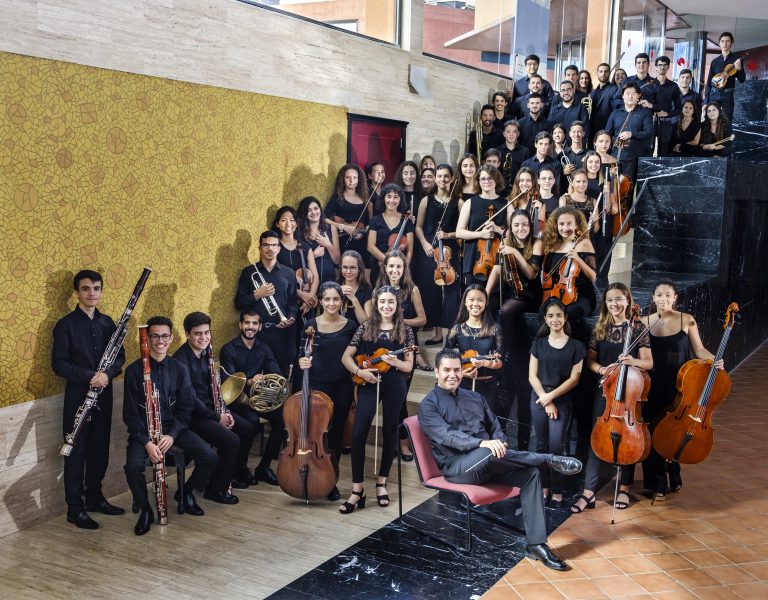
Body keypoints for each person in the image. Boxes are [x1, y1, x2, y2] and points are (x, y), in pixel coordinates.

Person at [419, 347, 581, 571]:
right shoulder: (428, 405)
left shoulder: (475, 397)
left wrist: (499, 441)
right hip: (459, 468)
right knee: (488, 451)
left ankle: (536, 543)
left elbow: (495, 426)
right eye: (446, 370)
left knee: (530, 474)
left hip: (491, 463)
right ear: (436, 372)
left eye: (457, 369)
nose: (452, 375)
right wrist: (483, 444)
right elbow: (448, 437)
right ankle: (547, 459)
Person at [123, 316, 219, 535]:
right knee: (133, 466)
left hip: (172, 429)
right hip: (144, 432)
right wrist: (147, 442)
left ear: (171, 338)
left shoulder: (179, 368)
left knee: (209, 456)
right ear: (147, 339)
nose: (160, 341)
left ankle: (186, 493)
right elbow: (130, 415)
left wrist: (172, 435)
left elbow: (185, 410)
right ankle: (146, 510)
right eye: (155, 336)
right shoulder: (133, 371)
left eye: (165, 336)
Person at [52, 269, 126, 529]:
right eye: (86, 288)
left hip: (104, 394)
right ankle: (75, 508)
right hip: (78, 396)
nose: (91, 293)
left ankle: (95, 497)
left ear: (101, 291)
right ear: (77, 293)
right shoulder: (65, 325)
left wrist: (107, 374)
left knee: (99, 448)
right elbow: (59, 364)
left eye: (96, 288)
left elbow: (120, 357)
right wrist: (89, 376)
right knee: (76, 451)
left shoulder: (108, 323)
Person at [571, 284, 653, 513]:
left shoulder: (638, 327)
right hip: (606, 391)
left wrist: (632, 362)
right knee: (596, 438)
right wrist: (602, 370)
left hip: (629, 392)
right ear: (605, 303)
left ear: (627, 299)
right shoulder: (600, 327)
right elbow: (590, 361)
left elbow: (649, 362)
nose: (614, 304)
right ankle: (589, 492)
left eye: (619, 299)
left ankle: (625, 487)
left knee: (629, 437)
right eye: (609, 300)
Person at [641, 280, 724, 498]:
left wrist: (715, 360)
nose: (663, 299)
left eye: (668, 295)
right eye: (659, 295)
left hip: (679, 385)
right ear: (653, 298)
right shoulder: (643, 322)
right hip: (651, 384)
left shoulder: (686, 320)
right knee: (653, 431)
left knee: (674, 430)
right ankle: (656, 484)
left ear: (675, 298)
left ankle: (673, 467)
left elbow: (699, 350)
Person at [340, 286, 416, 513]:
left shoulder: (405, 330)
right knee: (358, 432)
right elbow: (346, 356)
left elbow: (409, 366)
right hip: (369, 382)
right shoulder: (366, 327)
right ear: (376, 303)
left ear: (397, 305)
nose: (386, 306)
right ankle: (357, 489)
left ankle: (382, 483)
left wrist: (395, 362)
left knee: (391, 430)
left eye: (391, 302)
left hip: (394, 383)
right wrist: (359, 372)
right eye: (382, 301)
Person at [173, 312, 255, 501]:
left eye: (206, 333)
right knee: (231, 441)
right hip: (192, 416)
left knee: (247, 428)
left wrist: (224, 410)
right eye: (197, 334)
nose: (203, 338)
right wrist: (217, 417)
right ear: (187, 334)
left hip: (209, 411)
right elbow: (191, 400)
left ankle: (227, 475)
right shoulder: (181, 360)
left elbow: (214, 389)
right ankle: (214, 489)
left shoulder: (206, 353)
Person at [298, 282, 359, 501]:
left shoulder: (351, 325)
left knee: (335, 435)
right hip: (317, 386)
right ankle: (310, 475)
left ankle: (330, 480)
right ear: (321, 301)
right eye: (327, 299)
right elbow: (301, 351)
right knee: (315, 433)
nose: (331, 303)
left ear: (342, 302)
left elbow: (365, 334)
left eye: (336, 299)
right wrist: (302, 360)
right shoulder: (310, 324)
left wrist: (355, 300)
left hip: (342, 386)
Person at [529, 298, 586, 508]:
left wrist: (550, 398)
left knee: (557, 446)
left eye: (559, 315)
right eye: (551, 316)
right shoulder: (538, 344)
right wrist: (545, 400)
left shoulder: (576, 346)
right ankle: (543, 488)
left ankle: (558, 491)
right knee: (541, 445)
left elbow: (574, 379)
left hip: (561, 401)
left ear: (565, 318)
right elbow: (532, 376)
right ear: (545, 318)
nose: (555, 319)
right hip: (538, 398)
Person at [220, 310, 285, 486]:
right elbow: (229, 380)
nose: (250, 327)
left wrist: (266, 378)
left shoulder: (264, 348)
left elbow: (276, 372)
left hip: (257, 399)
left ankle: (264, 467)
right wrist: (250, 381)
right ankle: (239, 469)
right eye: (247, 323)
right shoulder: (229, 349)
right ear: (241, 325)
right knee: (251, 424)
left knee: (282, 420)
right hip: (237, 401)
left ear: (260, 327)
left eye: (254, 323)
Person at [234, 230, 298, 375]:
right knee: (254, 377)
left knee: (278, 377)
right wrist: (258, 294)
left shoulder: (289, 273)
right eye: (266, 245)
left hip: (280, 334)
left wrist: (291, 318)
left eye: (274, 245)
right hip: (255, 335)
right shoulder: (249, 272)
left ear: (279, 248)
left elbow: (293, 302)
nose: (270, 249)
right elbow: (239, 303)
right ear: (260, 248)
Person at [414, 163, 462, 346]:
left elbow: (464, 229)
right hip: (429, 250)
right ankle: (436, 333)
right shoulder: (426, 200)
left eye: (446, 176)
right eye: (439, 176)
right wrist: (425, 243)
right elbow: (418, 227)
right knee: (432, 291)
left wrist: (448, 234)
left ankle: (451, 334)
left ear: (451, 179)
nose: (442, 180)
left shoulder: (457, 202)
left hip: (449, 252)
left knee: (451, 292)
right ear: (435, 178)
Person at [445, 285, 503, 415]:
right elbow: (444, 358)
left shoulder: (495, 329)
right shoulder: (457, 329)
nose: (475, 303)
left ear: (486, 302)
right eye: (471, 299)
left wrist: (485, 363)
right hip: (461, 384)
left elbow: (499, 362)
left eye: (480, 300)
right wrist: (462, 373)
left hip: (487, 385)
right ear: (465, 302)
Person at [541, 207, 597, 324]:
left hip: (582, 296)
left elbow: (593, 277)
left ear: (576, 225)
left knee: (568, 314)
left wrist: (578, 259)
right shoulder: (553, 245)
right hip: (557, 294)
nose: (565, 228)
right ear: (556, 225)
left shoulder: (584, 244)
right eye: (561, 224)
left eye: (569, 224)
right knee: (543, 313)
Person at [455, 164, 508, 287]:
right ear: (478, 181)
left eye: (490, 178)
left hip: (497, 258)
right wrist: (480, 234)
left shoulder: (506, 204)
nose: (486, 181)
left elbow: (512, 233)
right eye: (483, 179)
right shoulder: (470, 203)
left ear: (496, 180)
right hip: (474, 257)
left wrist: (498, 229)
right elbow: (459, 232)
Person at [272, 206, 319, 317]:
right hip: (284, 302)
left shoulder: (306, 247)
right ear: (277, 224)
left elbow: (315, 277)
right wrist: (302, 295)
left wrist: (310, 297)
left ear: (297, 223)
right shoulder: (274, 248)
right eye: (284, 220)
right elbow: (273, 278)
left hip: (305, 303)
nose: (289, 224)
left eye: (292, 220)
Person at [606, 82, 654, 185]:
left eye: (633, 93)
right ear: (623, 96)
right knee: (612, 188)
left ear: (638, 96)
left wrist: (632, 134)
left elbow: (649, 133)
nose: (630, 96)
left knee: (627, 189)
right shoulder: (615, 113)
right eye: (627, 93)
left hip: (633, 157)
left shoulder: (645, 112)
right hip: (614, 156)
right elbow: (607, 133)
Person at [325, 163, 371, 269]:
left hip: (361, 242)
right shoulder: (337, 197)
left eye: (355, 177)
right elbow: (323, 219)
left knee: (362, 270)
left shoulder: (364, 199)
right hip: (342, 240)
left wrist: (362, 232)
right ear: (343, 179)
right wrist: (344, 227)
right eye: (348, 177)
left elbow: (367, 222)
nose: (351, 181)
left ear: (359, 179)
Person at [367, 183, 414, 283]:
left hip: (398, 269)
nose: (392, 200)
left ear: (400, 199)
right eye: (389, 197)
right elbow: (370, 246)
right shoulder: (375, 220)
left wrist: (402, 267)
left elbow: (409, 251)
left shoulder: (407, 221)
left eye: (395, 197)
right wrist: (388, 261)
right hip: (378, 265)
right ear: (383, 198)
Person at [297, 196, 341, 286]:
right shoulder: (299, 233)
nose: (313, 212)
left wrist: (328, 244)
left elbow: (337, 261)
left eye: (316, 208)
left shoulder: (331, 228)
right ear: (304, 213)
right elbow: (297, 265)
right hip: (310, 282)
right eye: (309, 210)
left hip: (330, 279)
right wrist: (314, 255)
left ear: (320, 209)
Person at [705, 32, 746, 122]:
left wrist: (739, 68)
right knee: (711, 120)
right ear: (719, 43)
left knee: (727, 121)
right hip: (714, 94)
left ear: (731, 43)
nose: (725, 43)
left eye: (728, 41)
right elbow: (709, 82)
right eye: (722, 41)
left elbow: (742, 80)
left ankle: (726, 136)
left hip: (727, 95)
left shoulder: (736, 60)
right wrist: (706, 101)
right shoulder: (714, 62)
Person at [652, 56, 682, 156]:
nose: (662, 67)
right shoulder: (650, 84)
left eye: (665, 65)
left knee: (663, 151)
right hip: (650, 122)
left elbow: (679, 109)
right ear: (656, 67)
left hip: (665, 123)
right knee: (648, 149)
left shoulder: (673, 86)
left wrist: (667, 113)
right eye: (660, 65)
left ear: (668, 67)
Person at [337, 250, 372, 326]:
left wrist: (354, 299)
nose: (348, 271)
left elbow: (366, 324)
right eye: (345, 267)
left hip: (357, 334)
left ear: (359, 269)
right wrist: (337, 293)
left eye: (352, 267)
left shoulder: (367, 289)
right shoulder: (335, 287)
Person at [496, 119, 530, 187]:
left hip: (519, 186)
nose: (511, 134)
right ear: (504, 134)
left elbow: (526, 171)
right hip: (501, 187)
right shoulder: (497, 151)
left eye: (514, 132)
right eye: (508, 132)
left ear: (518, 134)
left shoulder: (525, 151)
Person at [590, 62, 618, 134]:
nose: (603, 74)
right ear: (597, 73)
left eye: (606, 71)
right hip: (592, 130)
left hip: (607, 128)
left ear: (609, 73)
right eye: (601, 71)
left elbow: (615, 111)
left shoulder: (615, 89)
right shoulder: (593, 92)